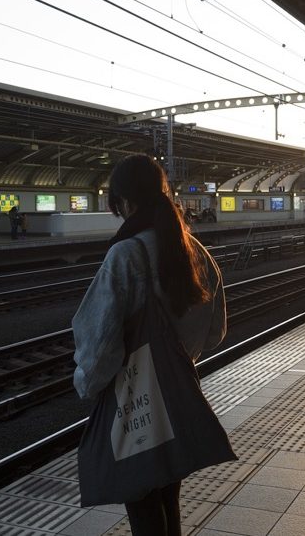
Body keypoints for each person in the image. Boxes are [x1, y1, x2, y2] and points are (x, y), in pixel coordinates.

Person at [72, 154, 229, 535]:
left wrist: (86, 383)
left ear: (124, 203)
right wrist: (177, 360)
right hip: (176, 396)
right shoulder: (194, 251)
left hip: (135, 401)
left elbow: (99, 342)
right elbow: (215, 331)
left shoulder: (125, 255)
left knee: (142, 504)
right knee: (167, 499)